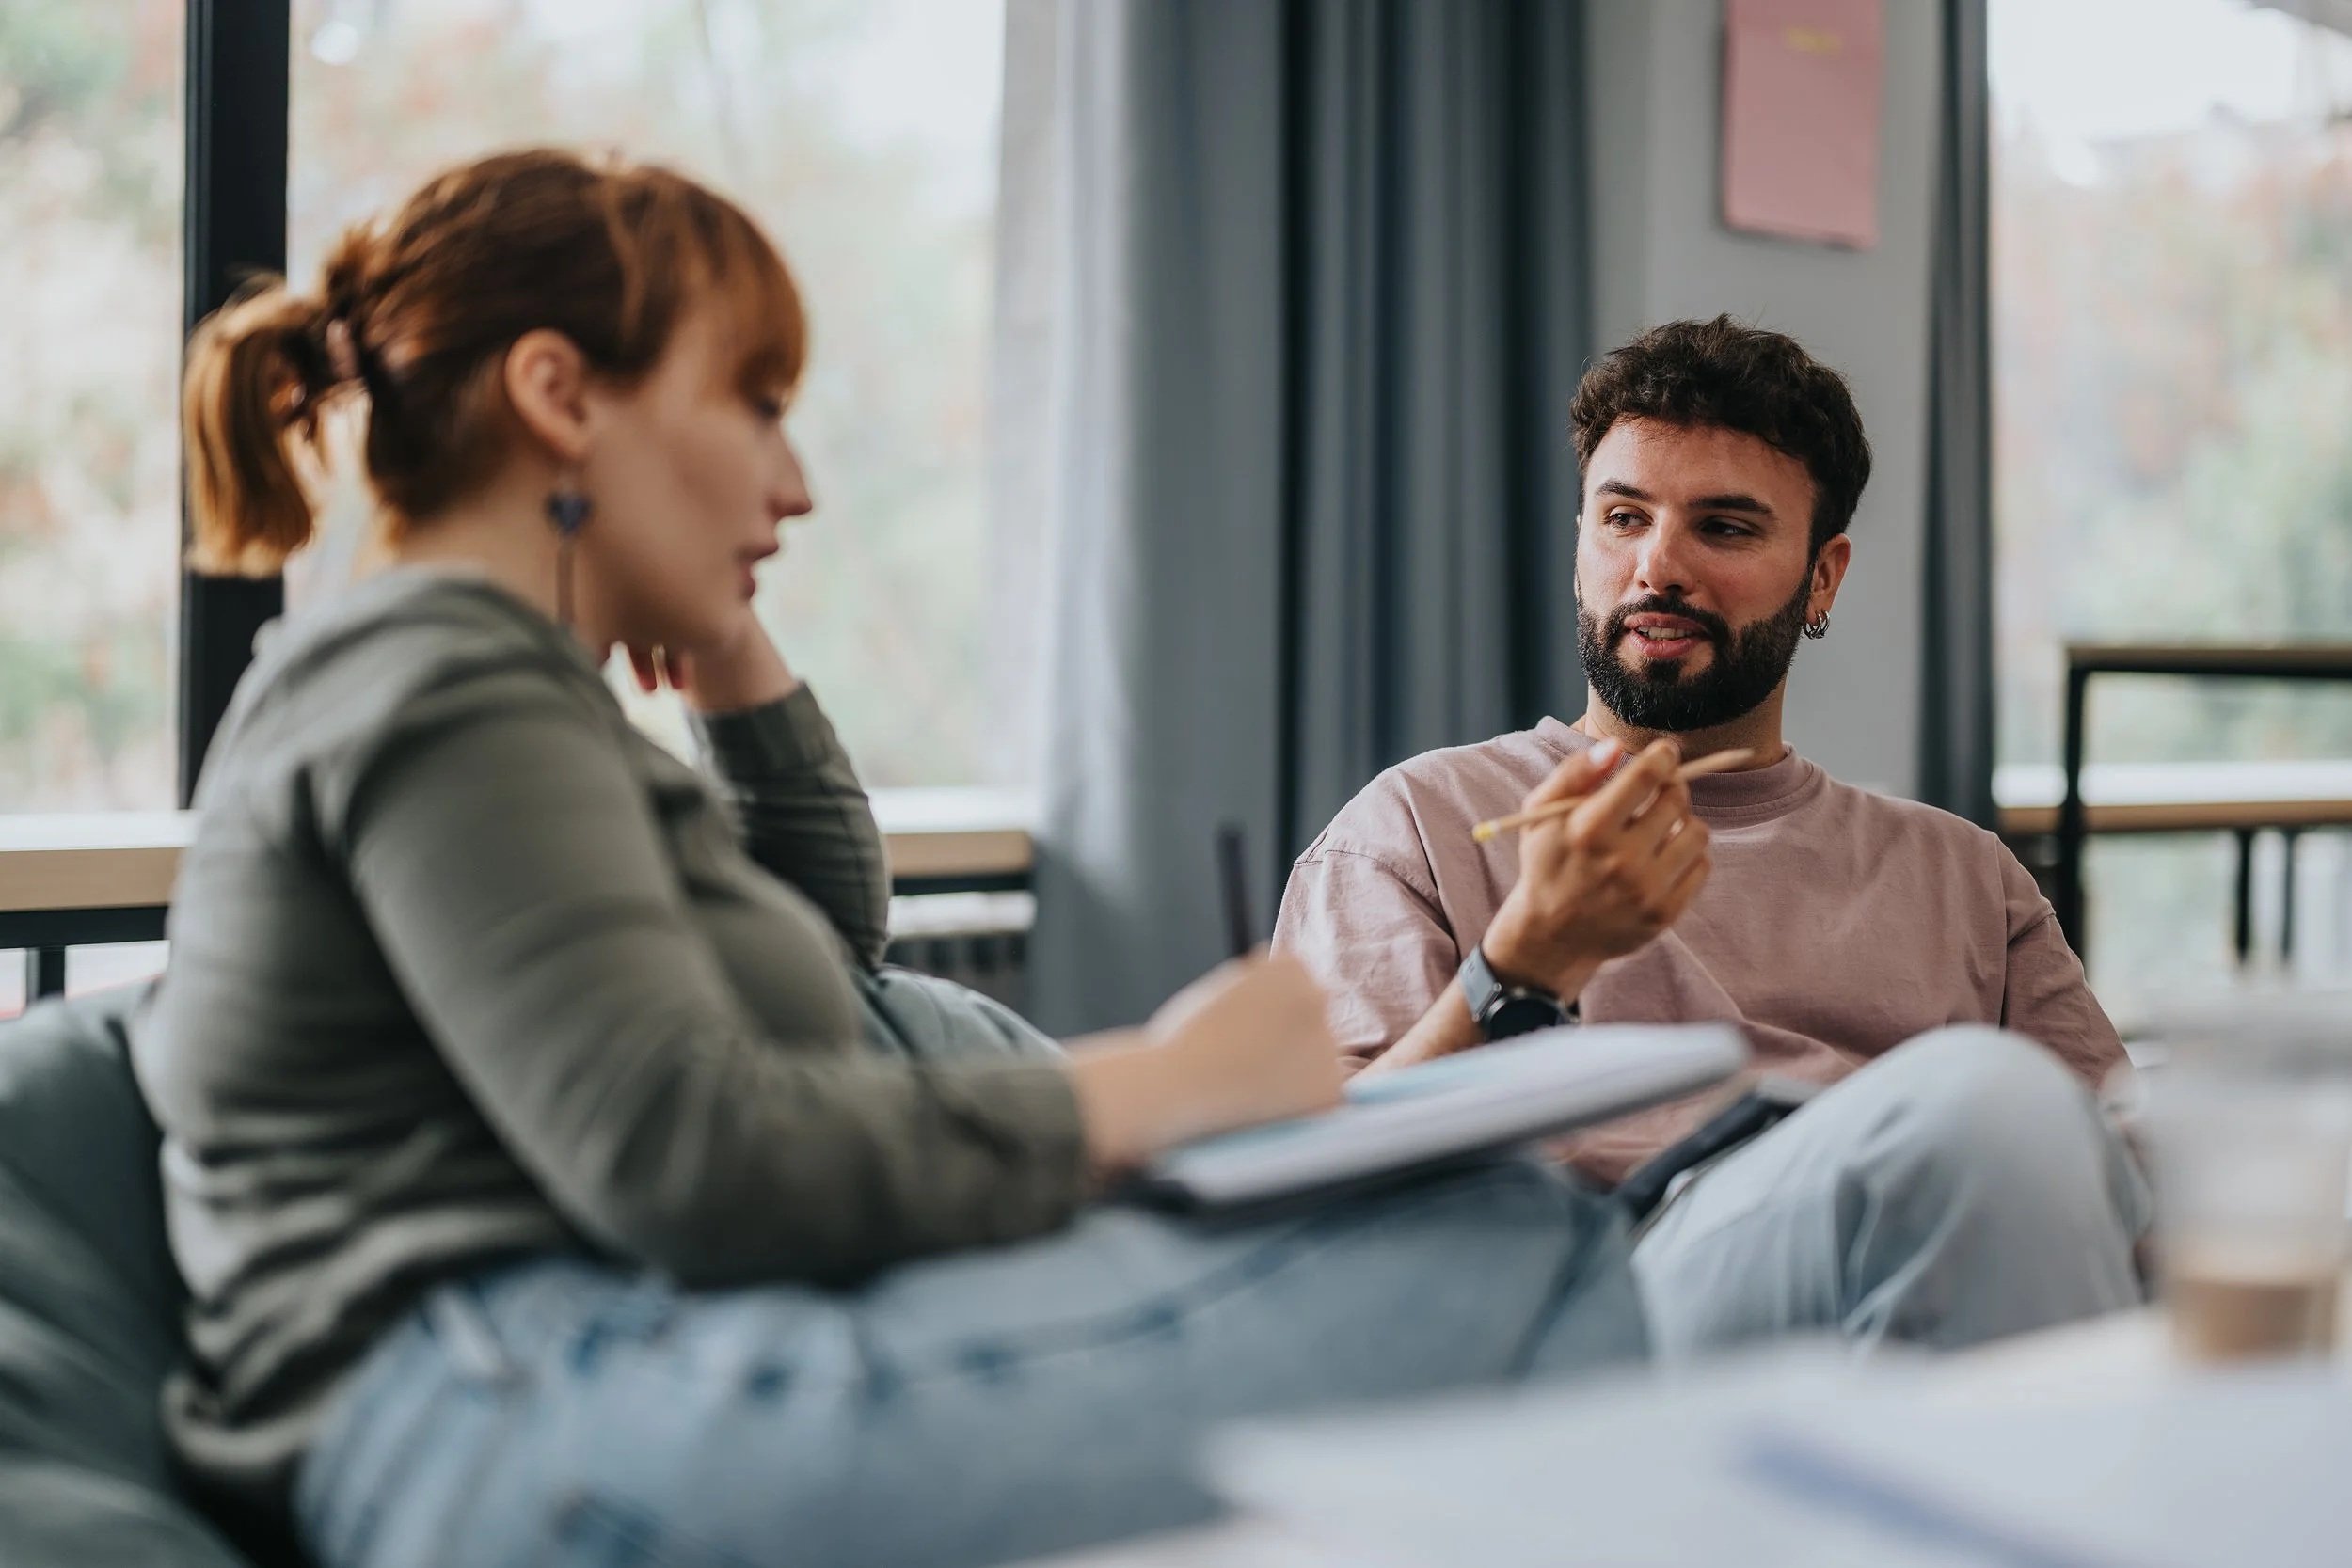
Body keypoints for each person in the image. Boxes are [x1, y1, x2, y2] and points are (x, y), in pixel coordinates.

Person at [137, 149, 1660, 1568]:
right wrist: (1172, 1080)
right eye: (754, 402)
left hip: (573, 1367)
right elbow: (692, 1152)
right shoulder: (440, 677)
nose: (793, 484)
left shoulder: (493, 688)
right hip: (507, 1410)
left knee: (1497, 1230)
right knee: (1522, 1253)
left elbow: (816, 944)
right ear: (558, 393)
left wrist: (720, 619)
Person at [1274, 317, 2150, 1358]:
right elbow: (1309, 1195)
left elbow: (2125, 1168)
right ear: (1580, 542)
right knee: (1981, 1105)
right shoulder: (1414, 824)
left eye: (1723, 529)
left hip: (1932, 1276)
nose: (1657, 567)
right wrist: (1522, 964)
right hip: (1592, 1298)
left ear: (1821, 577)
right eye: (1621, 517)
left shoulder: (1960, 873)